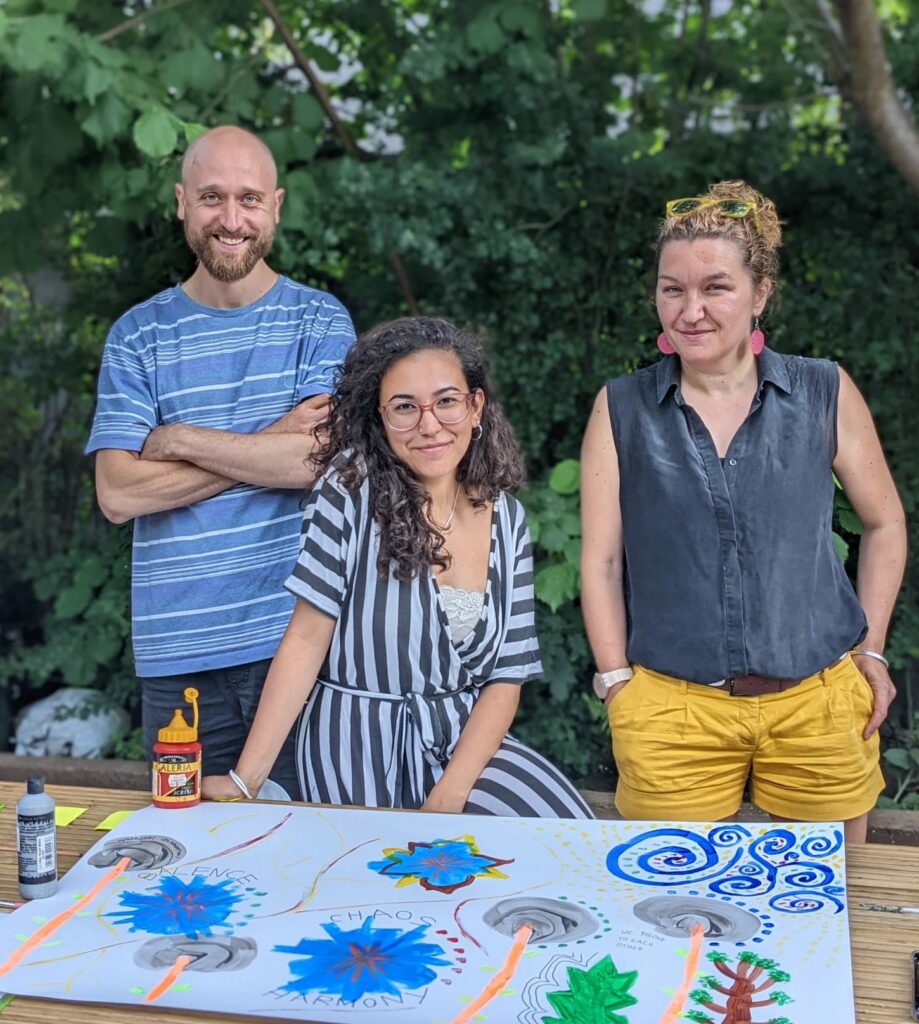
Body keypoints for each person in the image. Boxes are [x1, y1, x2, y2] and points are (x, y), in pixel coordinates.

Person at [580, 180, 906, 843]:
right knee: (672, 923)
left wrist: (870, 650)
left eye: (714, 288)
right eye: (672, 288)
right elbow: (601, 560)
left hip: (817, 705)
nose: (691, 309)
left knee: (822, 913)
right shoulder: (621, 408)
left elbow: (885, 523)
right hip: (671, 713)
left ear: (758, 294)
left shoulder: (822, 389)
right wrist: (616, 681)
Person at [203, 317, 593, 818]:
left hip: (461, 742)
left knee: (560, 833)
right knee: (379, 881)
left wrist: (450, 797)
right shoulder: (347, 492)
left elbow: (505, 680)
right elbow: (306, 638)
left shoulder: (507, 517)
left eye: (446, 401)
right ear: (380, 418)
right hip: (354, 742)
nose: (429, 424)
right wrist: (245, 779)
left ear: (475, 407)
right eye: (405, 407)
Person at [86, 126, 355, 799]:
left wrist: (176, 437)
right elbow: (118, 494)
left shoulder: (318, 322)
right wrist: (269, 439)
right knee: (182, 864)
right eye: (211, 197)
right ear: (181, 202)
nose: (231, 220)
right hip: (176, 663)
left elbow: (313, 461)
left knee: (307, 859)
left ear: (277, 206)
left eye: (248, 199)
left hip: (294, 650)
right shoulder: (137, 335)